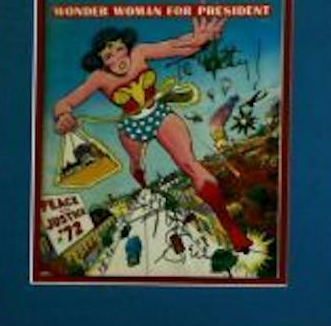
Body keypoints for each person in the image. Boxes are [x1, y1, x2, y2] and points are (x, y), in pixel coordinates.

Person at [50, 20, 253, 254]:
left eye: (119, 49)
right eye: (108, 56)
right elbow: (63, 103)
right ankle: (139, 173)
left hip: (159, 112)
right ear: (101, 61)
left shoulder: (140, 53)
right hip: (131, 125)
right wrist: (63, 116)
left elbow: (177, 47)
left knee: (190, 164)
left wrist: (202, 39)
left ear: (126, 47)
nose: (117, 59)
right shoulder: (98, 78)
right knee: (136, 163)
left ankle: (231, 230)